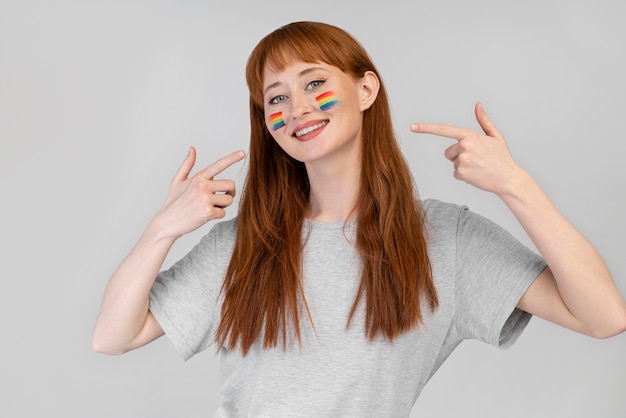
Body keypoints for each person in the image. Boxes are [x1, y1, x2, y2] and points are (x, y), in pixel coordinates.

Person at [92, 21, 626, 416]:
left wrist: (518, 186)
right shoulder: (243, 244)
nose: (296, 106)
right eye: (275, 97)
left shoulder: (445, 239)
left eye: (313, 82)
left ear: (366, 89)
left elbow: (603, 317)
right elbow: (113, 336)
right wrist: (162, 228)